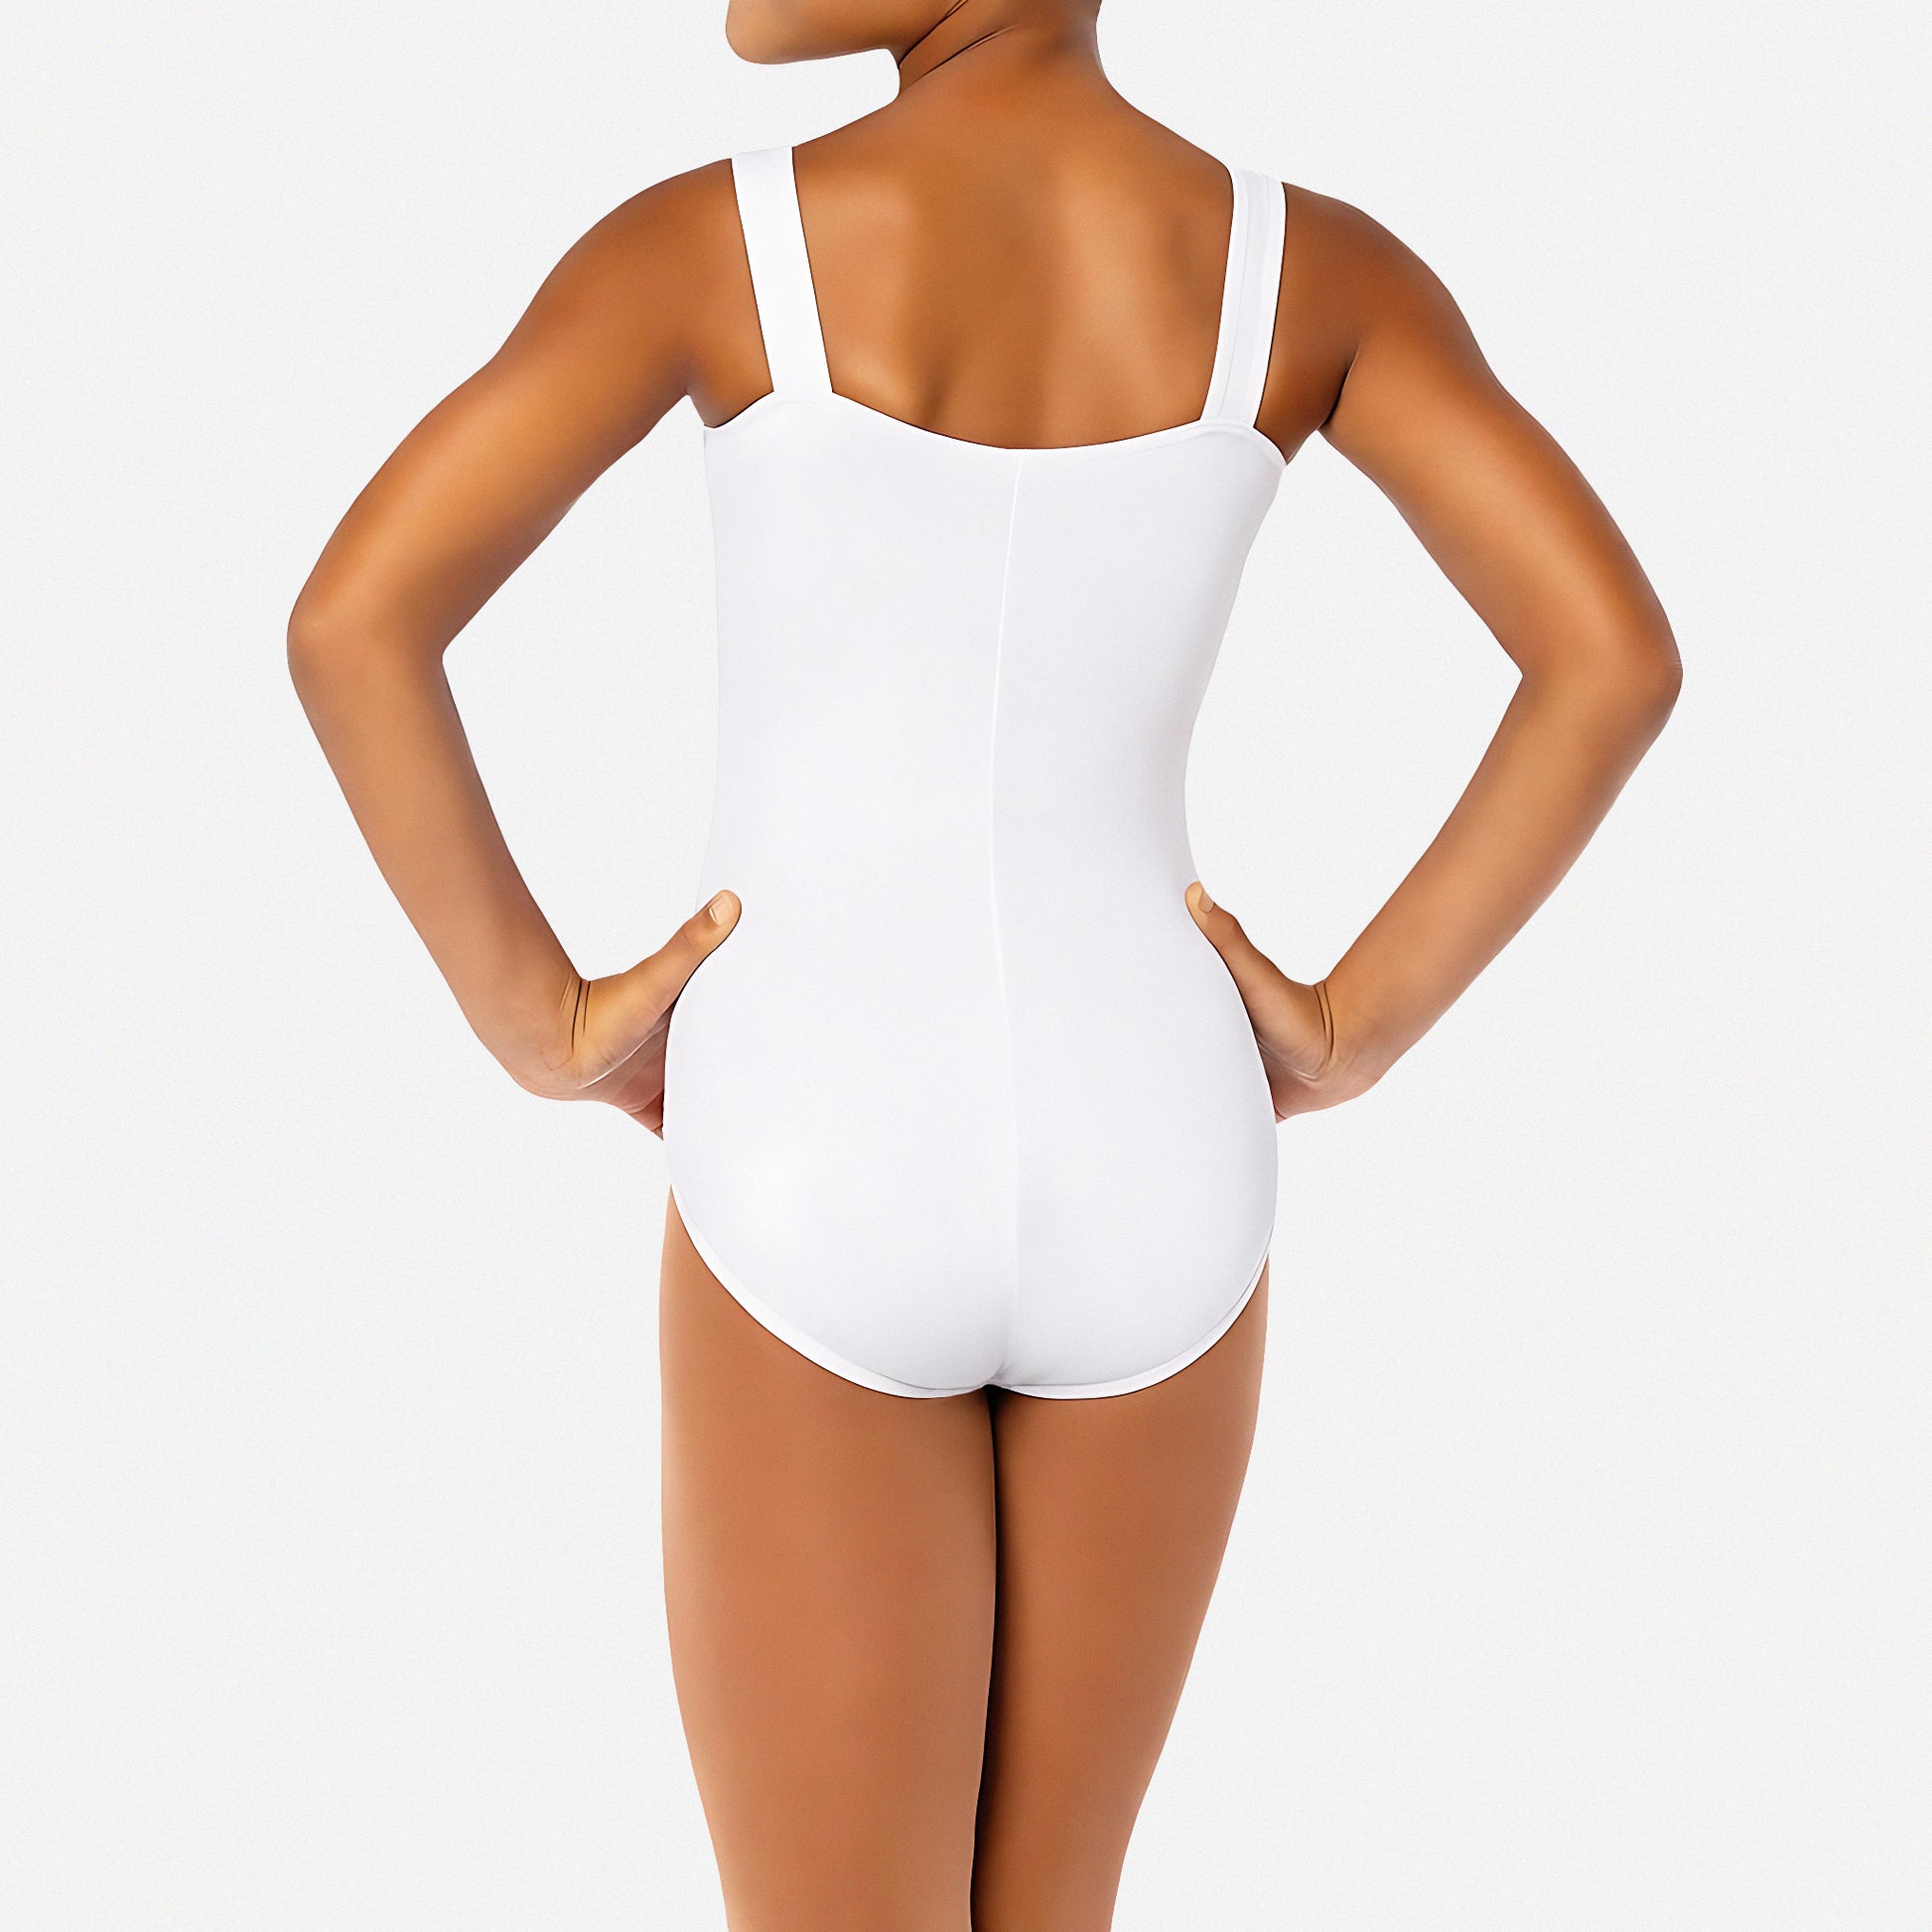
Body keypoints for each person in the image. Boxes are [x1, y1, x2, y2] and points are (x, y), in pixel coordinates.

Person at [287, 2, 1680, 1925]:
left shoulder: (714, 244)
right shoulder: (1306, 273)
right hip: (1162, 1137)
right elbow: (1609, 656)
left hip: (818, 1134)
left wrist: (544, 1021)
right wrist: (1349, 1027)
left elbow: (355, 620)